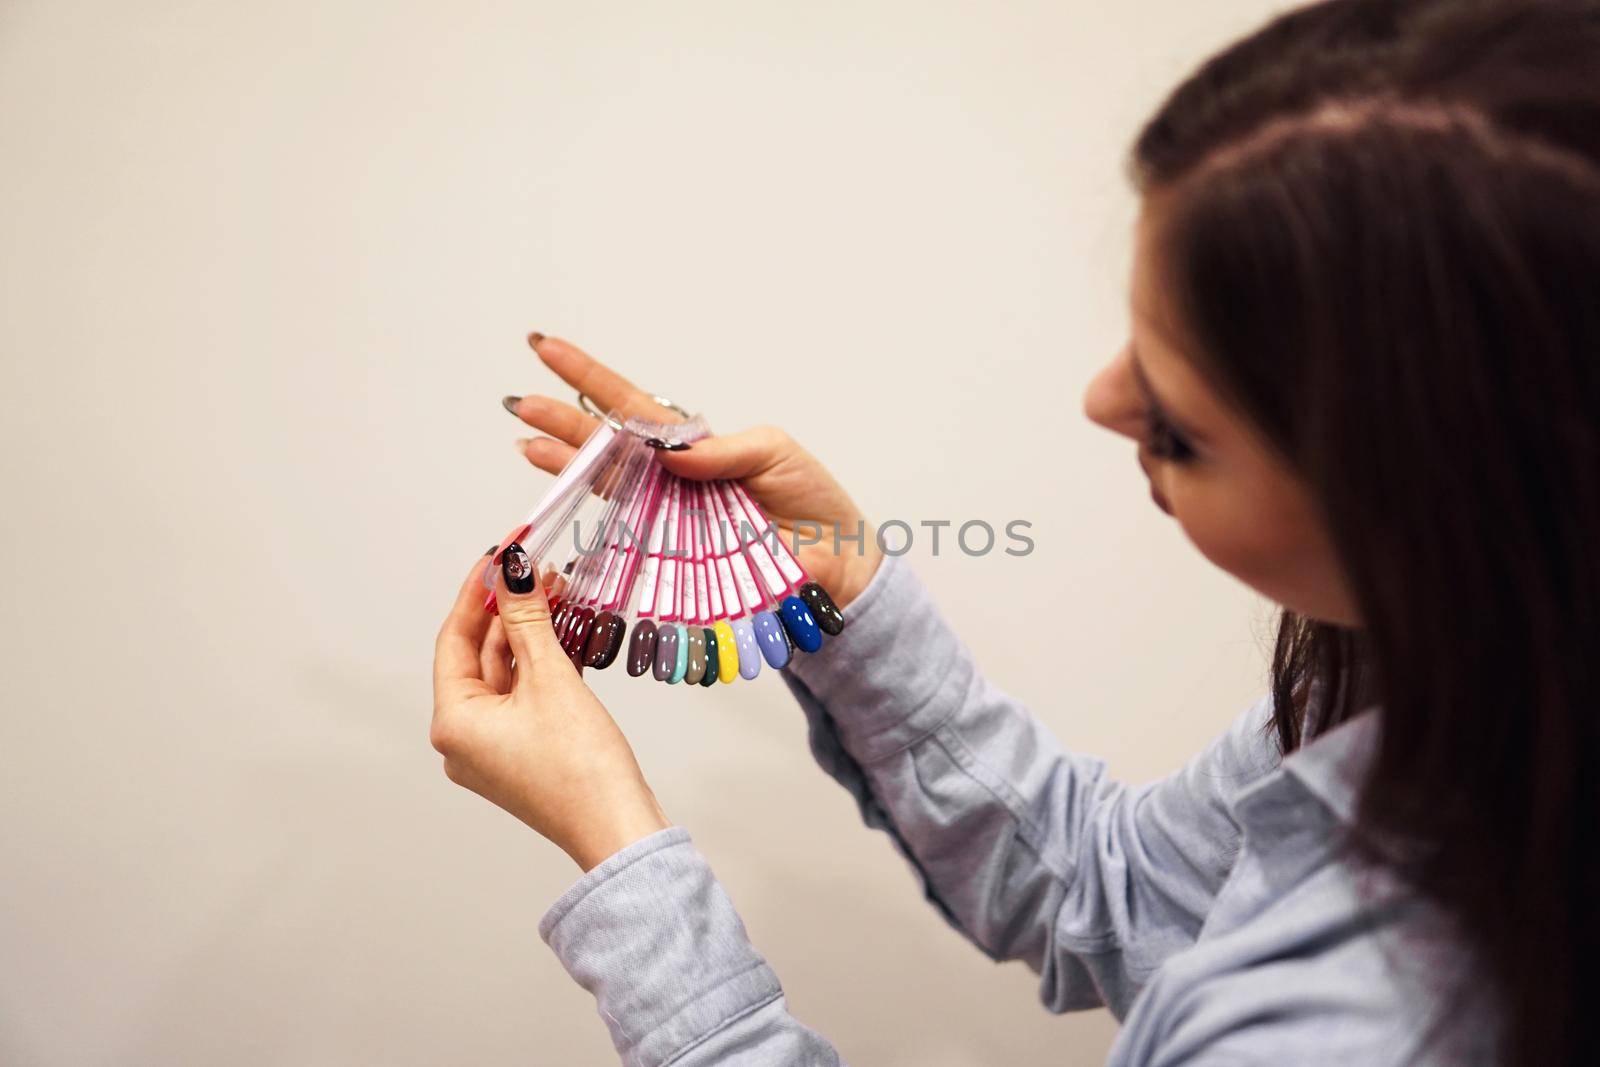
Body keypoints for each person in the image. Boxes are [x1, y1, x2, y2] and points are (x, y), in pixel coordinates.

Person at [431, 1, 1600, 1062]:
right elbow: (1118, 896)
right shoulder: (1441, 685)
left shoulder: (1362, 1030)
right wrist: (833, 589)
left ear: (1442, 496)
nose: (1101, 402)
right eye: (1134, 336)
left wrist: (621, 851)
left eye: (1182, 421)